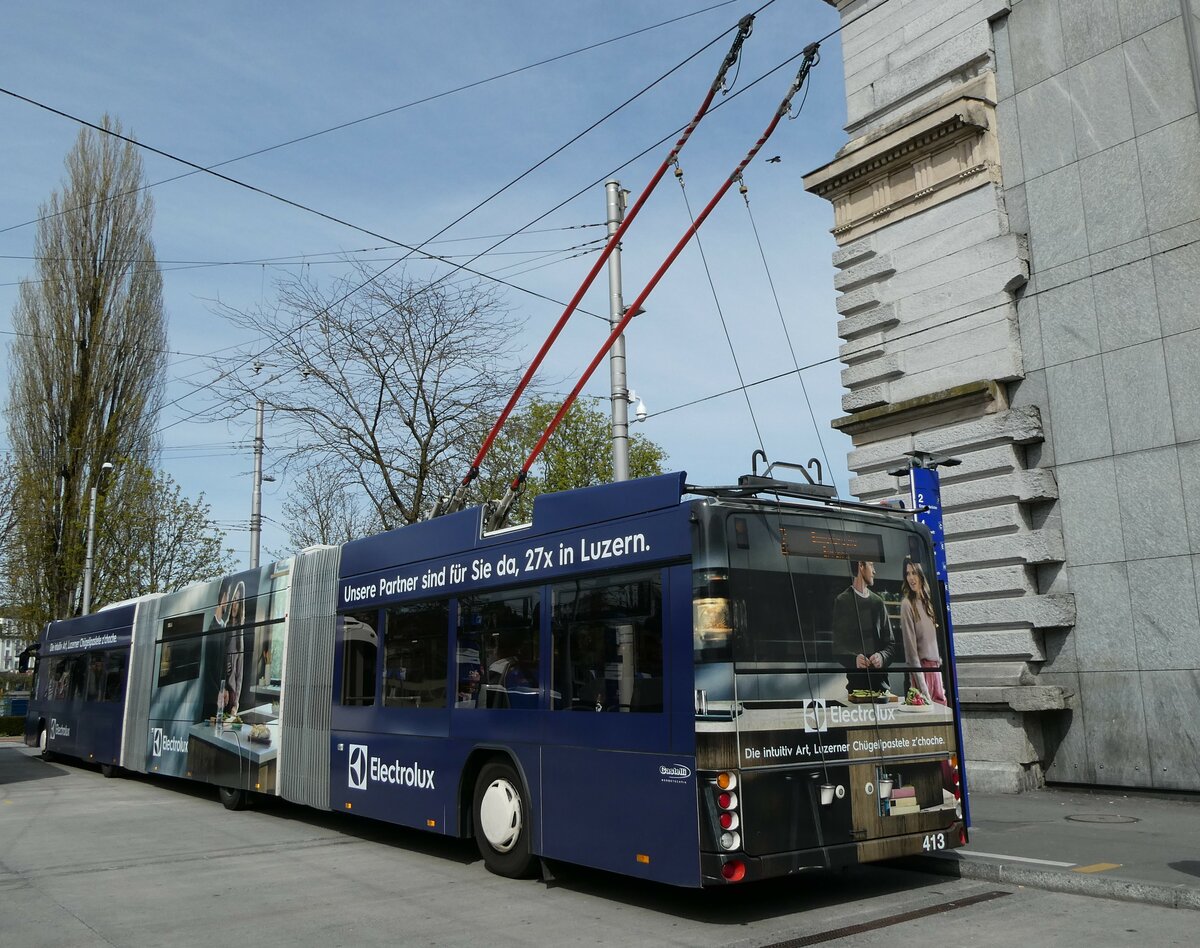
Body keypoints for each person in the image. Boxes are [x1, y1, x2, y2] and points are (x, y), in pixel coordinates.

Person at [831, 559, 896, 693]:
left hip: (882, 688)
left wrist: (882, 657)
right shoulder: (842, 601)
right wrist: (854, 659)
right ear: (861, 565)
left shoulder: (878, 602)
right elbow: (837, 647)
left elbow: (891, 645)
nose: (874, 571)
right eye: (871, 564)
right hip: (856, 689)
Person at [900, 557, 947, 705]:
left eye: (914, 573)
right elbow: (911, 653)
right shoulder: (907, 605)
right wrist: (924, 689)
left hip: (936, 671)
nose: (911, 578)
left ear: (921, 574)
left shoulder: (930, 604)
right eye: (907, 574)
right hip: (921, 674)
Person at [212, 580, 246, 717]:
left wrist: (236, 704)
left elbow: (239, 674)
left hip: (230, 696)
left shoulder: (240, 634)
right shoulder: (222, 627)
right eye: (234, 600)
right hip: (219, 691)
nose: (235, 605)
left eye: (238, 601)